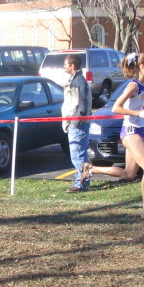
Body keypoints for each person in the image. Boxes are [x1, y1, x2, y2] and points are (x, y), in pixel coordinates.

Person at [82, 52, 144, 221]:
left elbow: (142, 105)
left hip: (137, 131)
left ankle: (91, 169)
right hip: (131, 132)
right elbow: (116, 108)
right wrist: (138, 113)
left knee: (129, 174)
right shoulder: (133, 86)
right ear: (142, 67)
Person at [61, 54, 92, 192]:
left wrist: (76, 121)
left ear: (72, 66)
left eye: (65, 64)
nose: (64, 67)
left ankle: (81, 184)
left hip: (78, 124)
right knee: (80, 154)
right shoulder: (76, 80)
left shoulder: (78, 81)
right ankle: (82, 181)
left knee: (77, 154)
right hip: (77, 122)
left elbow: (82, 103)